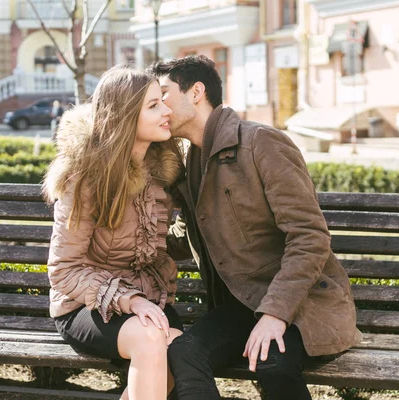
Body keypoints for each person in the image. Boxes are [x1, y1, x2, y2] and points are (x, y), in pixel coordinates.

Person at [150, 55, 362, 400]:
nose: (160, 106)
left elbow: (309, 237)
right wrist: (129, 233)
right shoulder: (188, 159)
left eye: (163, 94)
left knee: (272, 361)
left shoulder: (259, 142)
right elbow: (184, 236)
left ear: (196, 92)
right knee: (185, 352)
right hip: (240, 306)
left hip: (302, 304)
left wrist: (276, 314)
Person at [43, 65, 186, 400]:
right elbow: (63, 270)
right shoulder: (85, 175)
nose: (166, 111)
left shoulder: (162, 169)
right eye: (153, 106)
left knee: (181, 347)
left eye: (162, 101)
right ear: (125, 117)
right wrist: (129, 300)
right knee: (152, 340)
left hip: (148, 302)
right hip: (85, 305)